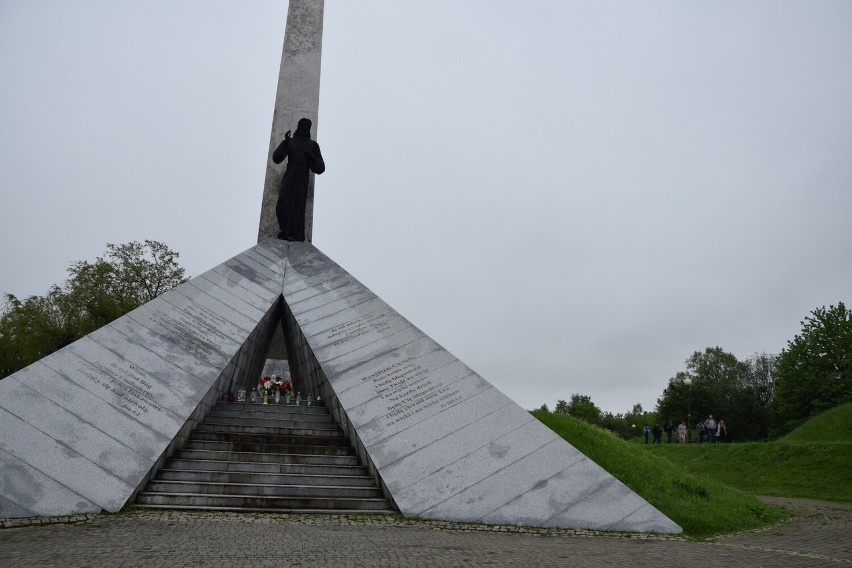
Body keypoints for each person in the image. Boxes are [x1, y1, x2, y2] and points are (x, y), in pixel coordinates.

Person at [272, 118, 325, 241]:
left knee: (298, 205)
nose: (304, 128)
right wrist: (284, 143)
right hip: (290, 174)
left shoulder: (313, 145)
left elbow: (321, 168)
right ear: (298, 126)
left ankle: (294, 233)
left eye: (306, 126)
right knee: (282, 202)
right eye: (302, 125)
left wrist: (311, 156)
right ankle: (284, 230)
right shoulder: (290, 142)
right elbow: (276, 158)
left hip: (302, 177)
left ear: (309, 129)